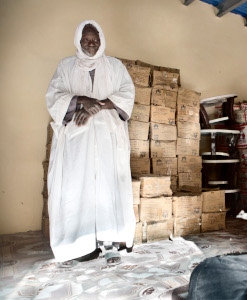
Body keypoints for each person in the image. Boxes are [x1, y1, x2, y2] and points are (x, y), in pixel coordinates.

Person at [46, 20, 136, 267]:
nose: (91, 43)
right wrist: (83, 100)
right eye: (86, 39)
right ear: (78, 40)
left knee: (107, 187)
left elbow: (127, 94)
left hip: (108, 139)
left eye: (95, 39)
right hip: (78, 141)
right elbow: (54, 98)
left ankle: (109, 243)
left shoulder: (115, 66)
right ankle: (80, 244)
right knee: (79, 188)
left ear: (101, 39)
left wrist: (101, 104)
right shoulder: (65, 66)